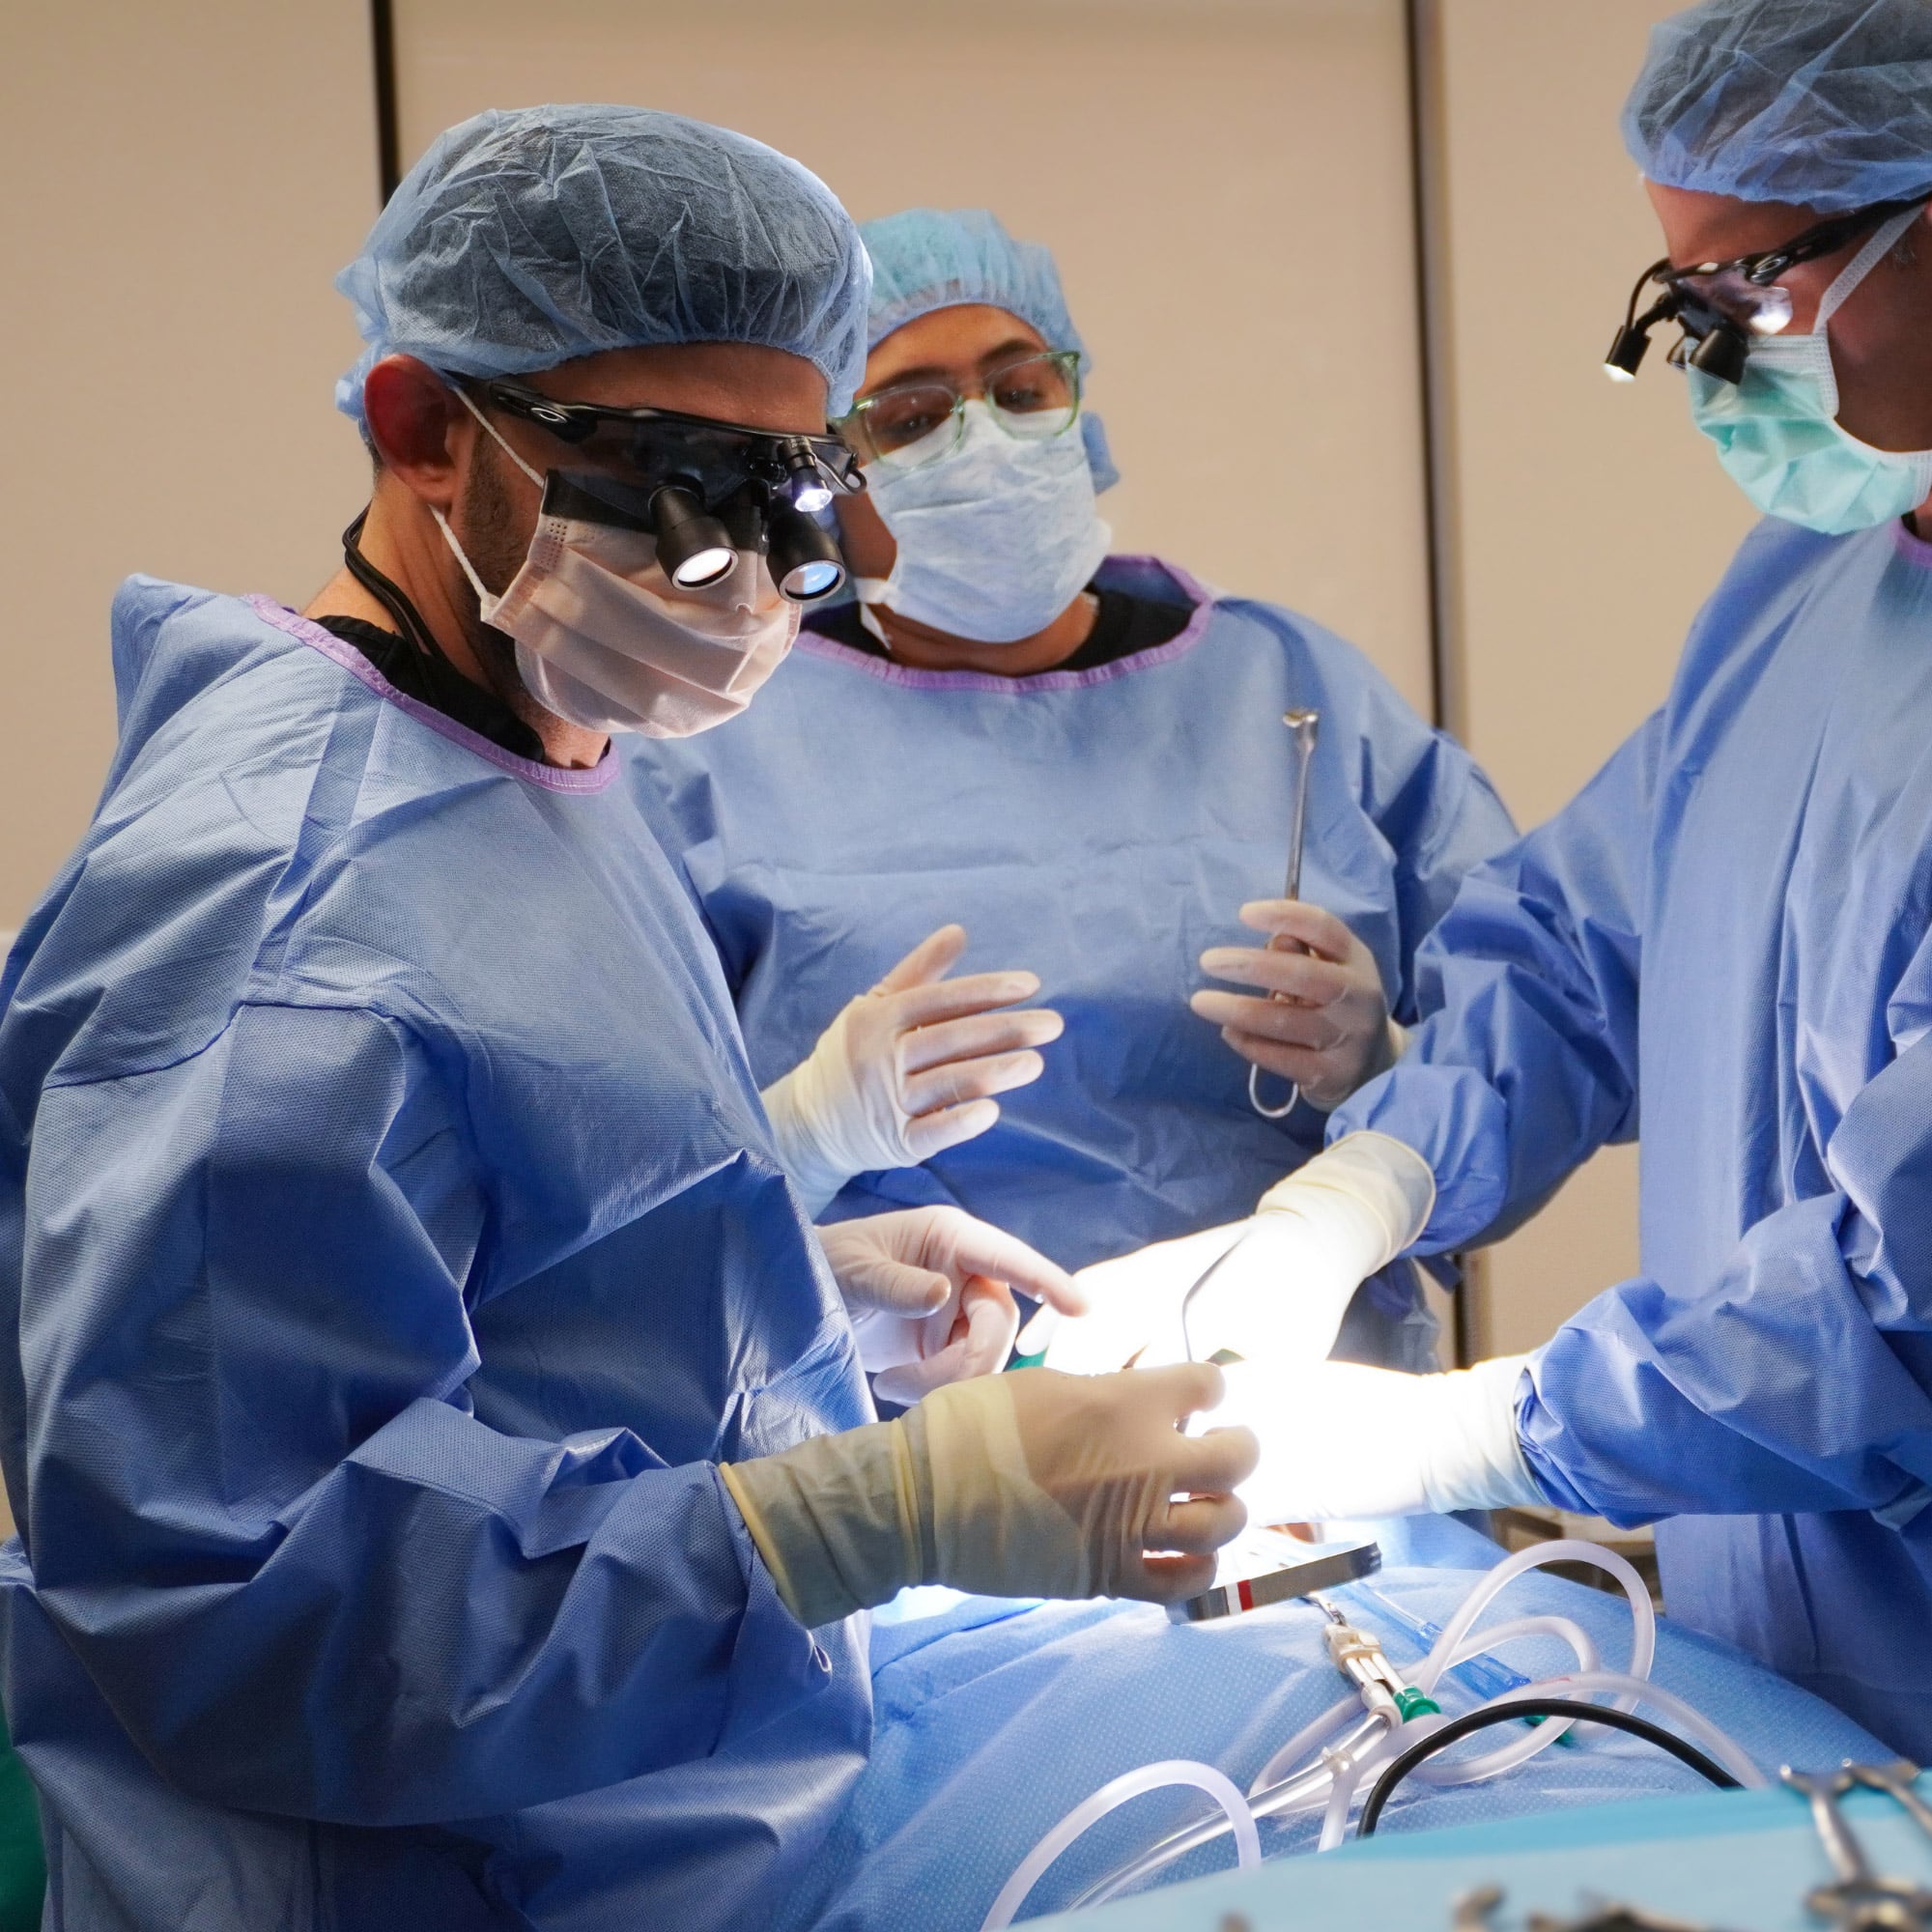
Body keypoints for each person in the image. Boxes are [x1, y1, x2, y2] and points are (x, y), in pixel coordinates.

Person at [0, 106, 1258, 1930]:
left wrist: (780, 1308)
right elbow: (247, 1613)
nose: (746, 570)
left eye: (789, 493)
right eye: (676, 485)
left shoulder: (527, 752)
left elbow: (500, 1307)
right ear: (426, 430)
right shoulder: (285, 923)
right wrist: (858, 1516)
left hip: (665, 1809)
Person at [1082, 0, 1932, 1755]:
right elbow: (1583, 944)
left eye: (1745, 287)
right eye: (1683, 298)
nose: (1710, 357)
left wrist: (1481, 1431)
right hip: (1779, 1658)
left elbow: (1899, 1301)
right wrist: (1362, 1191)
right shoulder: (1808, 583)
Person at [631, 208, 1518, 1374]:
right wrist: (799, 1136)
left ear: (1074, 406)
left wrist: (1384, 1074)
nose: (985, 438)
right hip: (887, 1427)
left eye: (1020, 389)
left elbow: (1538, 1040)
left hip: (1284, 1408)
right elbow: (608, 1189)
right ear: (823, 477)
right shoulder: (714, 738)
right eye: (911, 417)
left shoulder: (1291, 691)